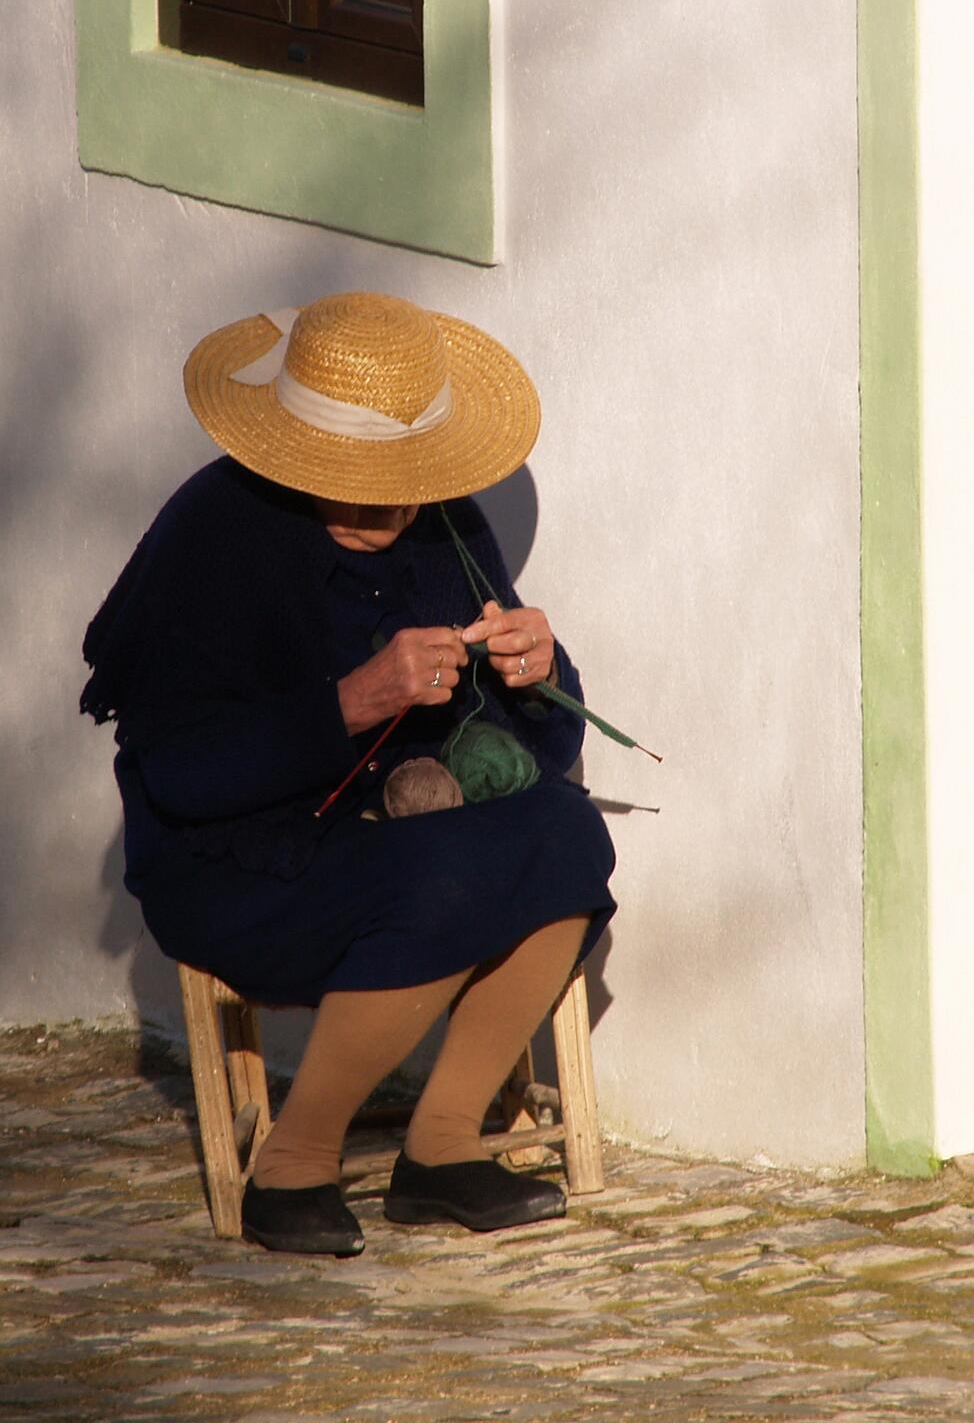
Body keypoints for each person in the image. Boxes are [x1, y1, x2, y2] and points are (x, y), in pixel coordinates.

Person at [80, 291, 617, 1258]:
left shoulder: (443, 525)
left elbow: (525, 745)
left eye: (406, 479)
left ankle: (441, 1147)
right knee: (439, 876)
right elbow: (181, 774)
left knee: (569, 837)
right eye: (360, 480)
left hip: (402, 839)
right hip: (236, 863)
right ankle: (292, 1166)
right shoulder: (215, 532)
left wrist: (540, 674)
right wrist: (353, 703)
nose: (390, 505)